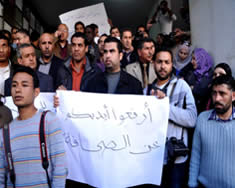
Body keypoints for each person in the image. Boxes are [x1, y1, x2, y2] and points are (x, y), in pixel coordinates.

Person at [0, 65, 67, 187]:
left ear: (36, 92)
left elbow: (60, 168)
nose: (18, 90)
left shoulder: (48, 120)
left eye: (24, 85)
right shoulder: (5, 132)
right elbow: (1, 176)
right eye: (14, 85)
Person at [148, 48, 197, 188]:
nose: (163, 66)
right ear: (153, 64)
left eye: (167, 62)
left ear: (172, 65)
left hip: (176, 159)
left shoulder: (182, 86)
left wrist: (165, 105)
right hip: (153, 158)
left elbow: (192, 119)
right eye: (159, 62)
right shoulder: (147, 90)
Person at [188, 75, 235, 188]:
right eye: (214, 93)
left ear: (233, 96)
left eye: (222, 93)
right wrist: (192, 184)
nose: (217, 98)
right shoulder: (202, 119)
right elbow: (196, 154)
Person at [179, 48, 214, 113]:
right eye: (192, 59)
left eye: (194, 59)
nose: (192, 61)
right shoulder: (192, 71)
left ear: (201, 60)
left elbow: (203, 91)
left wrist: (192, 88)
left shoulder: (209, 74)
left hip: (202, 110)